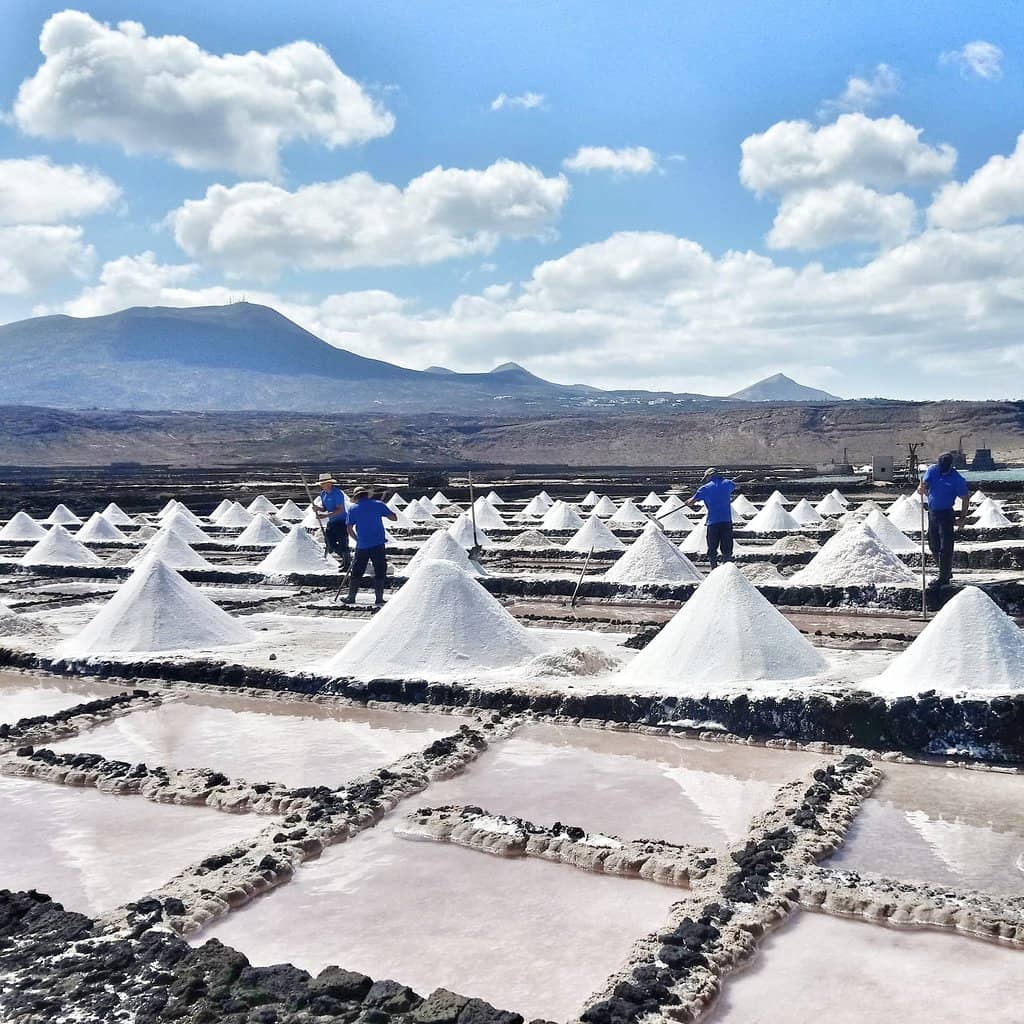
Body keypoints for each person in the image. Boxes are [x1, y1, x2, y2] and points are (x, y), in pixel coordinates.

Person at [918, 452, 971, 590]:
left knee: (945, 547)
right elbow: (925, 485)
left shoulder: (957, 479)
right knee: (933, 545)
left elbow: (965, 498)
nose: (942, 470)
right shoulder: (932, 470)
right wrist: (922, 488)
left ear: (951, 465)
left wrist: (962, 518)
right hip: (932, 513)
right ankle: (946, 571)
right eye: (941, 467)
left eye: (945, 468)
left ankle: (943, 577)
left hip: (946, 514)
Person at [345, 487, 398, 606]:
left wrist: (357, 540)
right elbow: (394, 518)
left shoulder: (353, 508)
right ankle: (379, 599)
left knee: (357, 571)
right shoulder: (378, 504)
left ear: (356, 497)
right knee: (380, 570)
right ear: (367, 495)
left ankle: (351, 597)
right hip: (378, 544)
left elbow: (349, 529)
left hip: (362, 546)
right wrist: (389, 512)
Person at [686, 467, 738, 570]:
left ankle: (714, 570)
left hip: (713, 522)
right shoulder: (728, 483)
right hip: (726, 521)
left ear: (709, 477)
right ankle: (727, 570)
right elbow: (733, 486)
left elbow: (691, 502)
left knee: (712, 549)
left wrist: (687, 502)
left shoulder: (704, 488)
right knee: (727, 549)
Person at [315, 473, 350, 571]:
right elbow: (325, 508)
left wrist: (325, 516)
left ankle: (347, 563)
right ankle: (346, 558)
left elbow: (340, 510)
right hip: (332, 521)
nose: (322, 485)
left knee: (343, 543)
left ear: (329, 483)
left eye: (324, 483)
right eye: (321, 483)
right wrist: (318, 508)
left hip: (341, 521)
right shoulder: (323, 494)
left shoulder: (337, 493)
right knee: (329, 543)